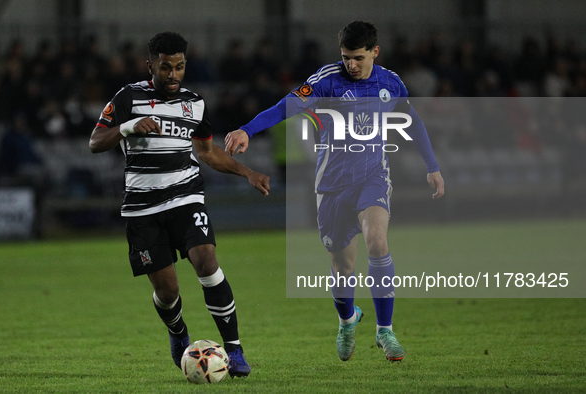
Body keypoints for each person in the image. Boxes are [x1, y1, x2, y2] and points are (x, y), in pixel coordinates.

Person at [225, 21, 444, 362]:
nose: (351, 65)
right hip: (331, 185)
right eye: (345, 57)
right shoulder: (327, 80)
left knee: (377, 241)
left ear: (375, 52)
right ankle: (346, 321)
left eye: (358, 57)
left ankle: (385, 330)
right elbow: (286, 106)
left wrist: (432, 166)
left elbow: (412, 121)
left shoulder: (391, 83)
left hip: (373, 176)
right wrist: (248, 130)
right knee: (342, 265)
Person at [89, 32, 270, 377]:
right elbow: (95, 142)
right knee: (168, 291)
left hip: (186, 197)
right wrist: (127, 127)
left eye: (180, 67)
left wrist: (246, 172)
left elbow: (206, 152)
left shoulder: (195, 103)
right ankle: (177, 333)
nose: (173, 74)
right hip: (142, 208)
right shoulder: (128, 97)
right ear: (151, 65)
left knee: (206, 261)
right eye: (166, 67)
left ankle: (235, 349)